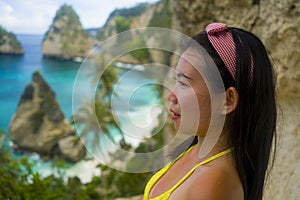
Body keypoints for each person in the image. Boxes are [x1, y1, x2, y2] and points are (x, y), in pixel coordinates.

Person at [140, 23, 277, 200]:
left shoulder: (213, 184)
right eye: (176, 80)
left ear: (227, 100)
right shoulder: (196, 153)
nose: (171, 96)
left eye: (183, 83)